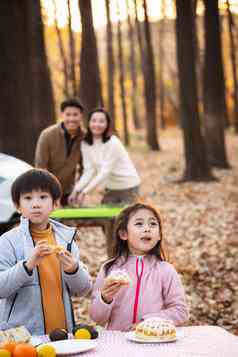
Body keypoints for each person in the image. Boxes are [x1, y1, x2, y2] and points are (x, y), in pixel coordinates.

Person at [0, 169, 92, 335]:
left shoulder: (66, 240)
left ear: (55, 204)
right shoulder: (8, 242)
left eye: (43, 197)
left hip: (63, 334)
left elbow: (83, 290)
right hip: (24, 338)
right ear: (17, 206)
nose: (36, 204)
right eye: (28, 198)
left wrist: (74, 270)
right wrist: (27, 265)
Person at [89, 202, 188, 331]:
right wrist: (104, 299)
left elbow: (180, 311)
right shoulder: (110, 269)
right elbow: (97, 318)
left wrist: (147, 322)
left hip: (153, 341)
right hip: (118, 341)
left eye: (153, 224)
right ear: (124, 234)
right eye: (139, 224)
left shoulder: (166, 270)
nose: (147, 229)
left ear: (158, 235)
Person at [68, 108, 141, 206]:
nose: (97, 124)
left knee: (127, 217)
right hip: (110, 188)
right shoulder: (85, 144)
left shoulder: (113, 142)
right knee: (106, 220)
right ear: (89, 123)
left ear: (107, 124)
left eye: (101, 121)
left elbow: (105, 171)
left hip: (129, 186)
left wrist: (85, 192)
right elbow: (89, 171)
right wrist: (76, 190)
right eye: (94, 120)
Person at [35, 98, 84, 205]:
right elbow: (40, 167)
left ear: (81, 116)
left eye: (75, 114)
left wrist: (79, 190)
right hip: (48, 189)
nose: (71, 118)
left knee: (68, 220)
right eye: (68, 114)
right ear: (62, 115)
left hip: (69, 191)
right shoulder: (47, 135)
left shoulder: (84, 138)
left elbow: (84, 168)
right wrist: (48, 192)